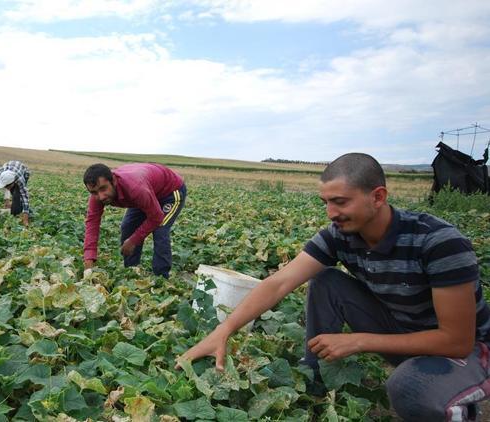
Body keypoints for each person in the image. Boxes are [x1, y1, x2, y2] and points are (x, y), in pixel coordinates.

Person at [179, 153, 489, 421]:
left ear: (378, 197)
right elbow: (278, 283)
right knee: (326, 279)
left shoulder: (439, 242)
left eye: (340, 202)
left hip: (468, 350)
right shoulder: (339, 235)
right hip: (403, 331)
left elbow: (456, 341)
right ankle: (313, 376)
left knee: (408, 390)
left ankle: (457, 406)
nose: (330, 213)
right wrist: (225, 330)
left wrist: (358, 341)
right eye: (326, 202)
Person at [83, 163, 187, 278]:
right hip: (146, 191)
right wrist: (89, 259)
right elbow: (92, 224)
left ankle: (161, 278)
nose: (101, 196)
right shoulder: (97, 197)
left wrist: (133, 240)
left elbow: (156, 217)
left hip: (169, 192)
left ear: (113, 181)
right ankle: (131, 272)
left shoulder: (135, 188)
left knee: (160, 229)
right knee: (128, 227)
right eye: (94, 192)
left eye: (103, 188)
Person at [0, 160, 31, 226]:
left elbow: (25, 197)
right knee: (14, 196)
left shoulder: (20, 180)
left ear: (13, 183)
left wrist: (25, 220)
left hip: (24, 172)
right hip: (9, 168)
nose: (6, 188)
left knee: (18, 195)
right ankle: (15, 209)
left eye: (7, 186)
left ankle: (17, 212)